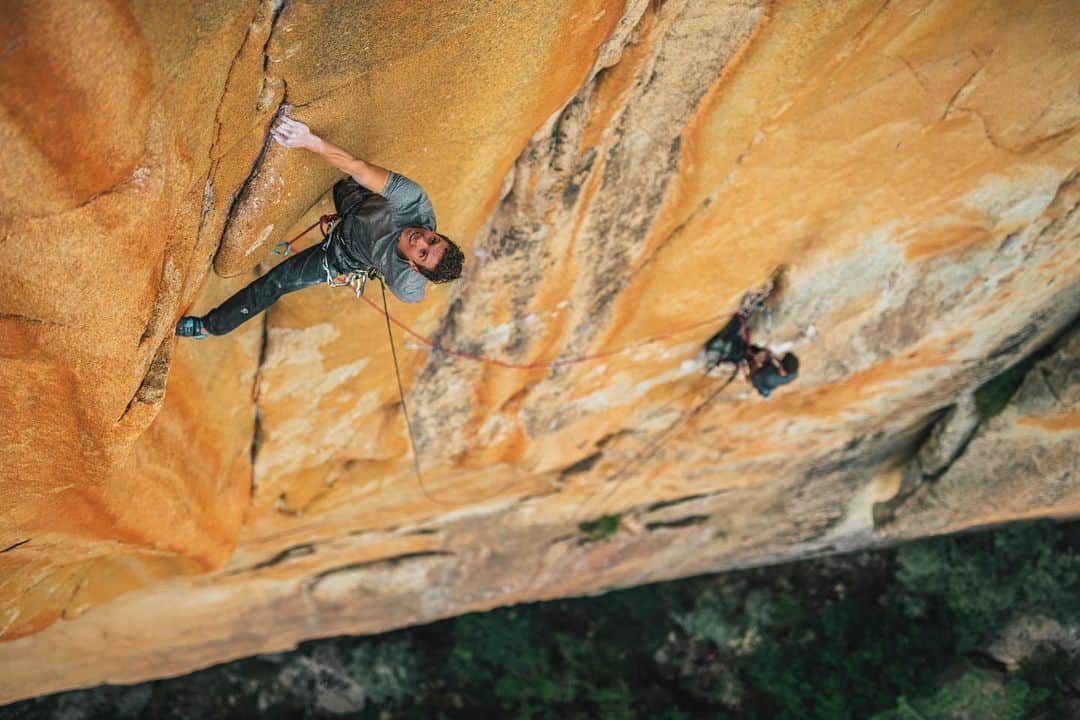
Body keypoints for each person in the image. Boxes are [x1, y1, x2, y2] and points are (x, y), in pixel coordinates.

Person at [176, 115, 464, 338]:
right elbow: (359, 168)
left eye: (422, 253)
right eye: (433, 240)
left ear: (414, 267)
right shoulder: (413, 202)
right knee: (348, 176)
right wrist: (307, 140)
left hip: (340, 257)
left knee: (277, 282)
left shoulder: (407, 285)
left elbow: (416, 295)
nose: (421, 241)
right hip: (358, 203)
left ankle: (210, 327)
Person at [704, 311, 798, 398]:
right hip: (768, 369)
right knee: (757, 350)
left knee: (740, 353)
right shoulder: (793, 373)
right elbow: (778, 361)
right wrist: (769, 353)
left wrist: (756, 362)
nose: (779, 361)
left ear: (783, 371)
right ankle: (741, 325)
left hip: (757, 376)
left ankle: (721, 347)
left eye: (781, 364)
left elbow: (750, 378)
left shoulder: (767, 377)